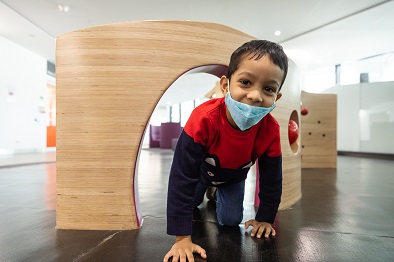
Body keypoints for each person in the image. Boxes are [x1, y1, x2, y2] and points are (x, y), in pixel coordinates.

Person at [163, 39, 288, 262]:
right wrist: (182, 238)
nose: (255, 96)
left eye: (268, 89)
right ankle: (207, 190)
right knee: (191, 203)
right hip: (200, 174)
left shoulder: (270, 130)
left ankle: (215, 192)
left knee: (230, 220)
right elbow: (182, 176)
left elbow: (272, 178)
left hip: (233, 178)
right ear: (225, 86)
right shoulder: (203, 119)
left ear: (276, 97)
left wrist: (265, 218)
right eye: (246, 82)